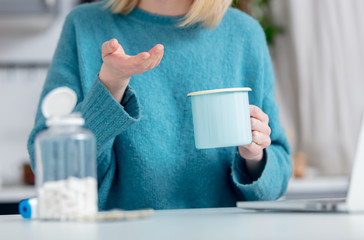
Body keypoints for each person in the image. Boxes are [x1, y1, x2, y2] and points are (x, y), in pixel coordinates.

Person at [28, 0, 291, 210]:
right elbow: (50, 166)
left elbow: (274, 180)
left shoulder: (244, 34)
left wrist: (254, 156)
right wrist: (111, 84)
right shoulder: (83, 26)